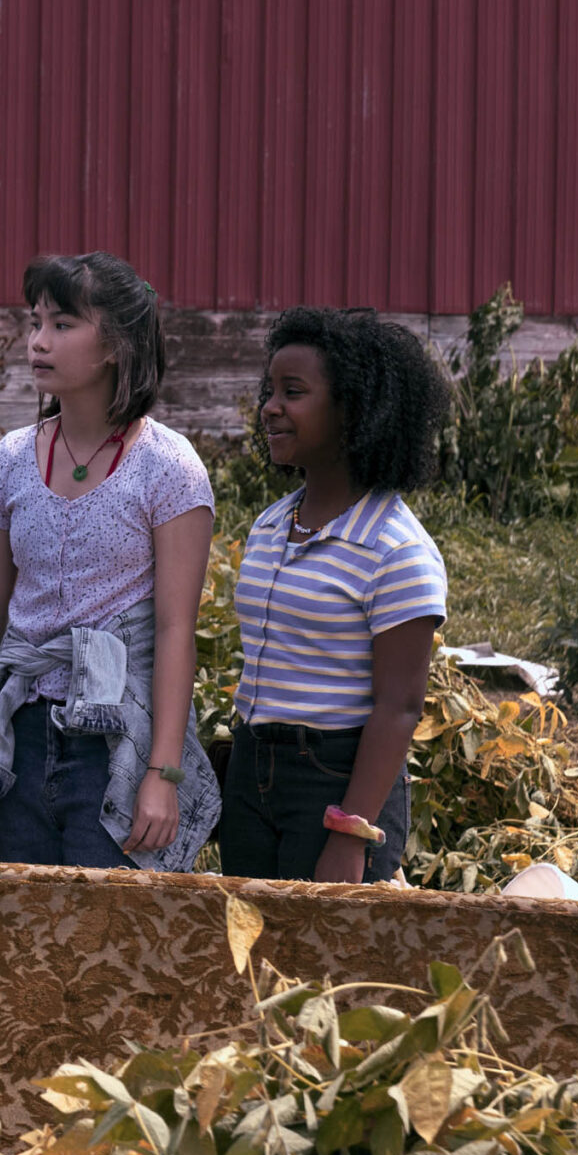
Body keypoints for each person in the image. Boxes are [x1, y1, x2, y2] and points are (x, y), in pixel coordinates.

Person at [0, 253, 219, 871]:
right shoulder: (9, 461)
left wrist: (162, 773)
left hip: (114, 738)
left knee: (105, 940)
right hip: (18, 730)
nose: (39, 341)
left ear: (117, 345)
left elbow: (176, 630)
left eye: (63, 324)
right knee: (30, 928)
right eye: (35, 321)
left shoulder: (169, 468)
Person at [222, 308, 452, 883]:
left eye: (293, 392)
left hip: (336, 782)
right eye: (268, 391)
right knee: (251, 962)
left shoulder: (396, 550)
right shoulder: (271, 525)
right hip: (253, 772)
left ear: (354, 410)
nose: (270, 407)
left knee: (322, 966)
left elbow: (398, 709)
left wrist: (351, 831)